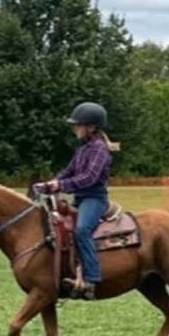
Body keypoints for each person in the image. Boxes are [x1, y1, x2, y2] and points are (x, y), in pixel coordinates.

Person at [39, 102, 114, 300]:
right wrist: (52, 182)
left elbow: (89, 177)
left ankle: (91, 279)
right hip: (80, 198)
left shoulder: (99, 149)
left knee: (82, 230)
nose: (75, 129)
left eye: (78, 125)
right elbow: (69, 171)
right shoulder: (82, 150)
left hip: (95, 198)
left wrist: (61, 186)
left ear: (91, 127)